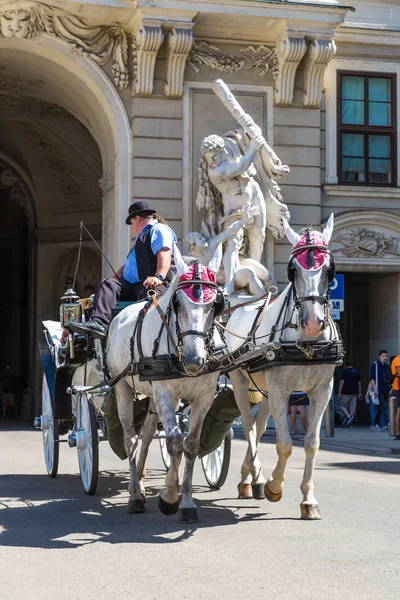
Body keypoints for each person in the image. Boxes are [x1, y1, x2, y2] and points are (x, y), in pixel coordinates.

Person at [70, 201, 177, 339]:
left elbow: (164, 253)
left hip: (152, 286)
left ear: (138, 219)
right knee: (107, 284)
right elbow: (129, 265)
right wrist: (114, 278)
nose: (132, 227)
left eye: (132, 222)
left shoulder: (159, 229)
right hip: (133, 287)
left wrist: (159, 277)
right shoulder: (141, 237)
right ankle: (99, 324)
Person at [368, 350, 390, 430]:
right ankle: (387, 422)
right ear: (379, 356)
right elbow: (372, 378)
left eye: (386, 356)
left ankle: (375, 423)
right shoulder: (375, 365)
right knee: (383, 406)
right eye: (384, 356)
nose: (385, 358)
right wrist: (375, 389)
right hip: (378, 388)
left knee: (381, 408)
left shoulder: (387, 367)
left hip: (385, 389)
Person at [338, 359, 362, 427]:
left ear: (345, 365)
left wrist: (339, 391)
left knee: (341, 406)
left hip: (345, 391)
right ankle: (350, 423)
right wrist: (359, 393)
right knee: (352, 408)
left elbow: (342, 382)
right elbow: (359, 383)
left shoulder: (344, 371)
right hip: (355, 392)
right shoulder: (356, 372)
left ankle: (349, 417)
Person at [389, 353, 400, 440]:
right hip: (398, 387)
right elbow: (399, 373)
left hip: (397, 387)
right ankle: (397, 432)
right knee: (399, 410)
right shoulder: (398, 359)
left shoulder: (396, 359)